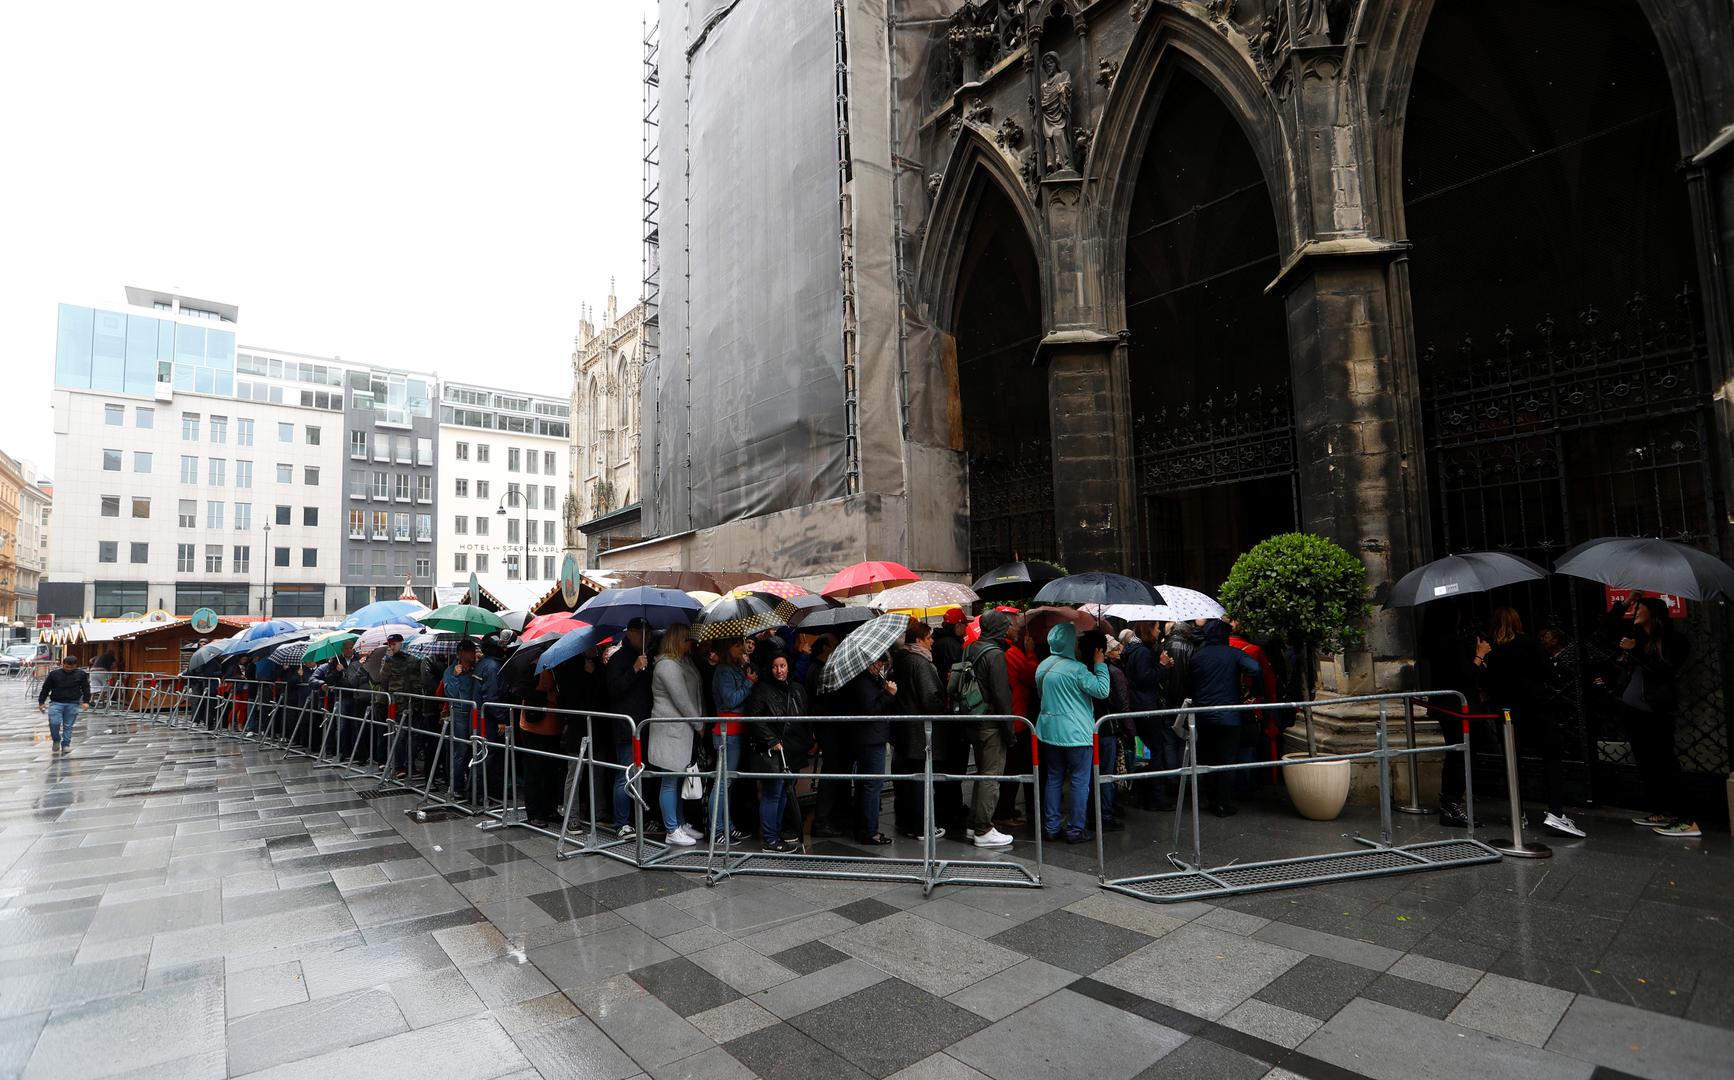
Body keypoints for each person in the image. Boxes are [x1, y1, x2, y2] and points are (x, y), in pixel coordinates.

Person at [1474, 607, 1579, 837]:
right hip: (1536, 708)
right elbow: (1551, 675)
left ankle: (1517, 811)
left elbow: (1486, 682)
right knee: (1551, 757)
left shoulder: (1490, 650)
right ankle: (1555, 812)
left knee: (1513, 760)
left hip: (1507, 712)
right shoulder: (1529, 644)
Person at [1600, 596, 1696, 838]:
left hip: (1657, 711)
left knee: (1665, 762)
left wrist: (1635, 651)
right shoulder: (1637, 636)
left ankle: (1685, 819)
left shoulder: (1674, 640)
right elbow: (1607, 626)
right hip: (1634, 709)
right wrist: (1626, 602)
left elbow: (1664, 669)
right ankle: (1662, 810)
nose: (1636, 611)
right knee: (1647, 763)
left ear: (1653, 613)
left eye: (1640, 608)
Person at [1035, 624, 1111, 843]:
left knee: (1054, 778)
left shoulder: (1042, 667)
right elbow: (1102, 691)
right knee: (1079, 781)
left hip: (1049, 732)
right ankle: (1076, 830)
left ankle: (1051, 827)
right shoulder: (1077, 669)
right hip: (1077, 733)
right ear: (1069, 642)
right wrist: (1100, 665)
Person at [1186, 619, 1261, 817]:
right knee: (1227, 760)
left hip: (1203, 716)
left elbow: (1190, 683)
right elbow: (1255, 668)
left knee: (1208, 759)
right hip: (1230, 717)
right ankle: (1223, 803)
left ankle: (1210, 799)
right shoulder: (1233, 653)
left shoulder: (1197, 656)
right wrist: (1253, 692)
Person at [954, 609, 1016, 847]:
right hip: (990, 722)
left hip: (972, 719)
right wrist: (1009, 730)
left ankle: (973, 824)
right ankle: (983, 829)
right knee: (991, 776)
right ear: (999, 629)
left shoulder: (971, 647)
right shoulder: (995, 654)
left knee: (982, 772)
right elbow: (1002, 696)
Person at [822, 657, 899, 845]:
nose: (881, 666)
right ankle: (869, 831)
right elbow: (870, 710)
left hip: (868, 737)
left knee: (867, 785)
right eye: (879, 663)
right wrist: (888, 694)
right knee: (872, 785)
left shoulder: (867, 679)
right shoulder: (863, 682)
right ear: (869, 662)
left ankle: (864, 827)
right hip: (870, 738)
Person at [647, 624, 706, 846]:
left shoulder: (682, 661)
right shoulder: (667, 666)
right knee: (670, 781)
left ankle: (679, 824)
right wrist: (699, 723)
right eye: (688, 640)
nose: (692, 644)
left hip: (681, 732)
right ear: (678, 640)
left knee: (679, 779)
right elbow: (682, 700)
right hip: (670, 732)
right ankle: (671, 829)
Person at [745, 653, 809, 852]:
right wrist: (771, 740)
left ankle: (777, 832)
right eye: (775, 666)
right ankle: (770, 839)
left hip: (792, 749)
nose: (779, 670)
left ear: (788, 667)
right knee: (773, 793)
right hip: (774, 751)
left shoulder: (796, 688)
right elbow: (754, 718)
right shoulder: (762, 689)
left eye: (782, 665)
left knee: (784, 793)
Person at [891, 622, 947, 840]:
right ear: (919, 640)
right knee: (920, 780)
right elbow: (930, 698)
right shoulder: (920, 662)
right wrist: (943, 701)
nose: (932, 642)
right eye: (929, 637)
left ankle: (906, 822)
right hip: (919, 731)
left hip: (904, 729)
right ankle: (922, 826)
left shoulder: (900, 659)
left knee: (907, 778)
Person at [605, 619, 655, 836]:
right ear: (633, 633)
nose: (649, 636)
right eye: (645, 632)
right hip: (626, 726)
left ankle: (640, 818)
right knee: (625, 774)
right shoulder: (618, 658)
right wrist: (634, 670)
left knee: (641, 773)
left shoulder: (646, 656)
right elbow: (613, 690)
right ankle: (621, 822)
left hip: (644, 724)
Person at [1122, 621, 1173, 810]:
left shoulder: (1133, 650)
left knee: (1143, 753)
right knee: (1154, 752)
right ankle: (1155, 798)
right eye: (1156, 627)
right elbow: (1145, 679)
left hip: (1139, 706)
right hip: (1147, 707)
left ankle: (1142, 796)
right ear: (1148, 629)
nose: (1159, 630)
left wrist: (1161, 667)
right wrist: (1161, 666)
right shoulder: (1142, 652)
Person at [708, 638, 756, 843]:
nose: (742, 648)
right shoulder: (723, 671)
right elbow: (730, 700)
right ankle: (717, 830)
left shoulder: (733, 668)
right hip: (727, 731)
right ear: (728, 649)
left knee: (727, 783)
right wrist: (748, 683)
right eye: (737, 645)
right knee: (722, 783)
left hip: (735, 730)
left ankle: (727, 826)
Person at [993, 624, 1039, 829]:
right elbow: (1032, 675)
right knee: (1013, 768)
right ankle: (1004, 811)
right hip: (1017, 718)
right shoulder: (1013, 653)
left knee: (1009, 767)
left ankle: (1006, 808)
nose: (1013, 628)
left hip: (1012, 716)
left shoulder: (1003, 652)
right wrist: (1030, 653)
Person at [442, 640, 500, 800]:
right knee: (460, 751)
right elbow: (450, 694)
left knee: (475, 750)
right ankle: (456, 786)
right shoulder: (450, 671)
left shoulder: (478, 668)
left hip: (475, 714)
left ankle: (471, 787)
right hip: (460, 714)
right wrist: (455, 676)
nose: (472, 653)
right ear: (460, 653)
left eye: (473, 650)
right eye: (468, 651)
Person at [1091, 634, 1131, 832]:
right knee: (1106, 773)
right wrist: (1130, 729)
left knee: (1091, 774)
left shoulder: (1082, 668)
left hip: (1088, 728)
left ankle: (1094, 813)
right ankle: (1105, 815)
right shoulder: (1109, 671)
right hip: (1105, 728)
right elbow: (1115, 700)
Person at [517, 667, 566, 827]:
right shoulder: (532, 668)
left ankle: (549, 809)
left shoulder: (558, 667)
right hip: (533, 727)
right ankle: (534, 813)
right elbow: (521, 690)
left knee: (551, 771)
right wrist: (547, 696)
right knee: (534, 771)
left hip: (554, 726)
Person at [38, 654, 91, 753]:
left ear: (76, 666)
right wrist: (41, 702)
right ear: (63, 664)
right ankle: (56, 740)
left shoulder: (81, 674)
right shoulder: (54, 674)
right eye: (67, 667)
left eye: (72, 667)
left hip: (73, 703)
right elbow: (46, 688)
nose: (69, 669)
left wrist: (86, 701)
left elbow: (86, 688)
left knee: (68, 725)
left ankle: (66, 744)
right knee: (54, 723)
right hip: (56, 702)